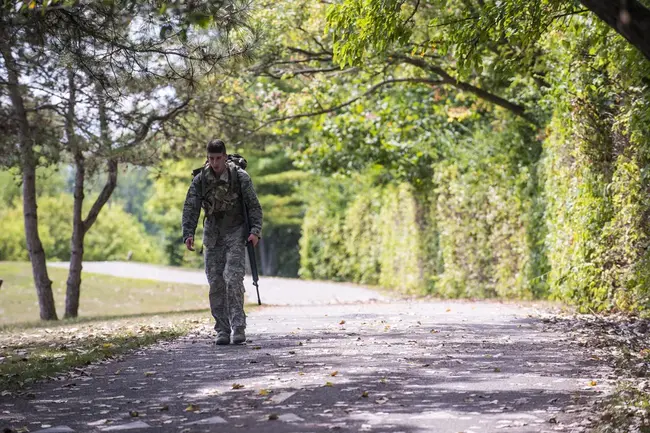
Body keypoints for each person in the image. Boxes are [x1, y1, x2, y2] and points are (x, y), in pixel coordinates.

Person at [181, 139, 263, 345]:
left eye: (218, 158)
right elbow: (191, 208)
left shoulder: (240, 177)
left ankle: (238, 327)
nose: (215, 162)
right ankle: (222, 329)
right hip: (212, 235)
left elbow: (253, 205)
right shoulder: (200, 180)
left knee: (232, 278)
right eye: (211, 158)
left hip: (236, 232)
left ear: (225, 157)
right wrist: (188, 233)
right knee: (215, 282)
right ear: (207, 158)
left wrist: (255, 231)